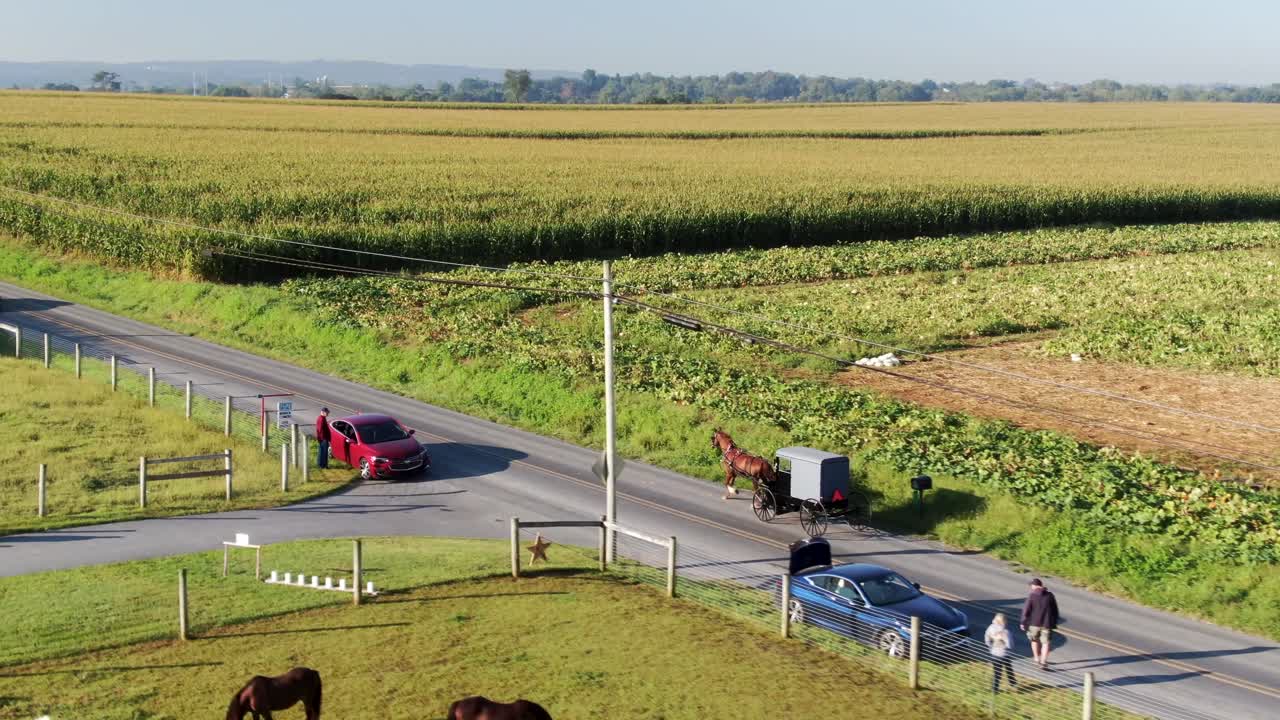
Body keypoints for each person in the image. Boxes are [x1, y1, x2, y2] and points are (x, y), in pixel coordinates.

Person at [1020, 578, 1059, 670]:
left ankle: (1037, 658)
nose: (1031, 588)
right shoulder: (1050, 595)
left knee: (1034, 640)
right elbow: (1055, 610)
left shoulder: (1032, 595)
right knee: (1046, 643)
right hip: (1046, 624)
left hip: (1034, 623)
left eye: (1031, 586)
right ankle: (1043, 662)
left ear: (1034, 586)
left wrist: (1023, 622)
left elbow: (1026, 610)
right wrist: (1054, 621)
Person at [984, 613, 1017, 693]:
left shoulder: (990, 628)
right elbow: (1010, 645)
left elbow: (987, 638)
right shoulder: (1005, 632)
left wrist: (990, 646)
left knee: (997, 673)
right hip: (1004, 654)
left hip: (994, 654)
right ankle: (1012, 682)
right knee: (1009, 668)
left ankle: (995, 689)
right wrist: (1009, 647)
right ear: (1004, 622)